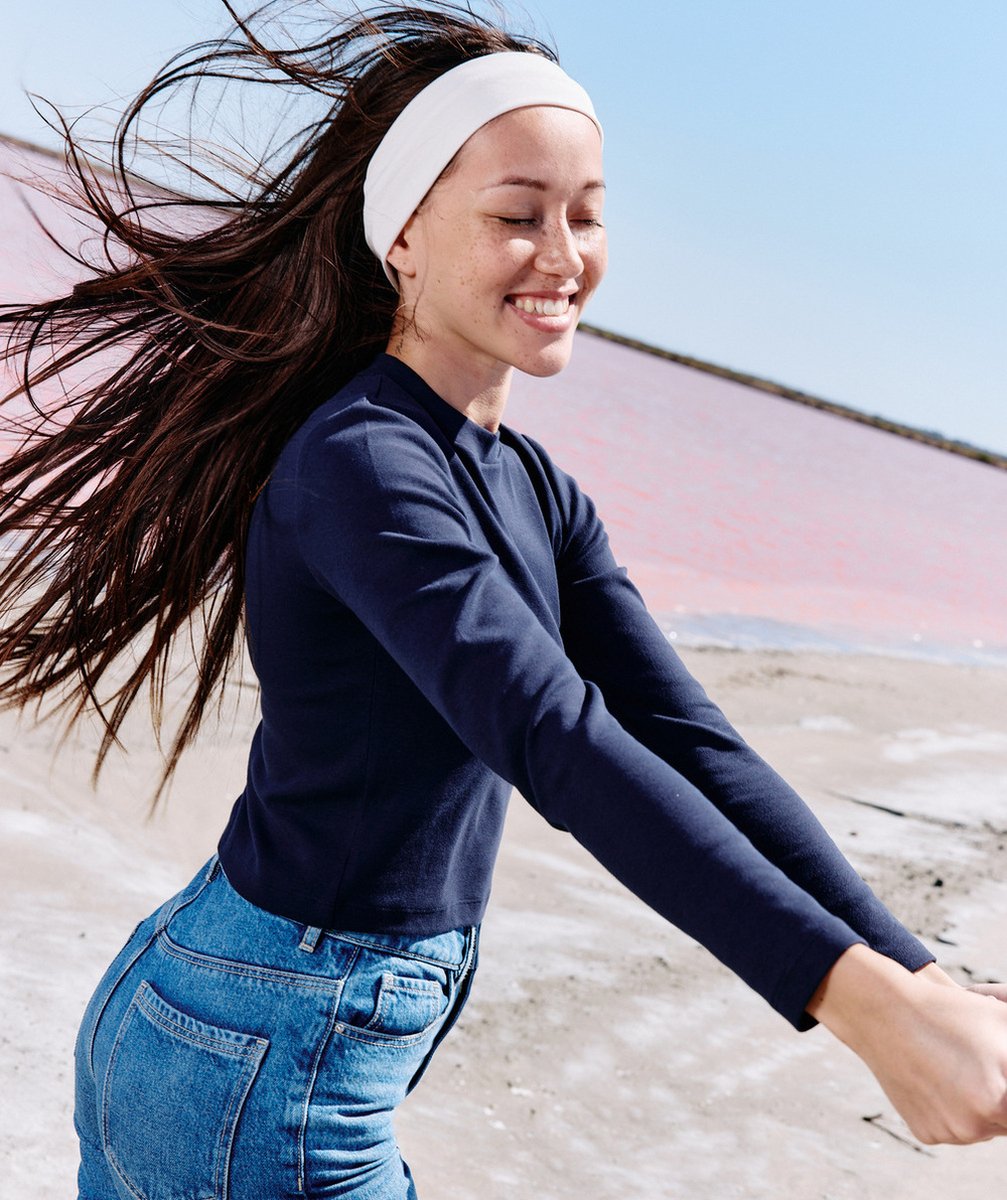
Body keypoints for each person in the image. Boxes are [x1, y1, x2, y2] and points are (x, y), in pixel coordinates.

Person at [1, 3, 1005, 1197]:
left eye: (585, 215)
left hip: (246, 1027)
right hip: (261, 1058)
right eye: (516, 215)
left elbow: (690, 741)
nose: (563, 252)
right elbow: (552, 736)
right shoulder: (362, 463)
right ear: (405, 237)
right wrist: (856, 1005)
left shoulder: (529, 484)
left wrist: (914, 977)